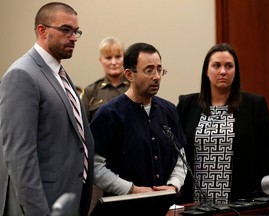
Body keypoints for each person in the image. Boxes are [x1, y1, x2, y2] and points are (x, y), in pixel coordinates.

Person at [0, 2, 94, 216]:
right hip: (43, 204)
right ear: (42, 30)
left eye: (76, 31)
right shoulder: (22, 74)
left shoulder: (58, 73)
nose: (73, 37)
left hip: (68, 200)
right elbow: (20, 157)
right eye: (65, 30)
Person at [176, 43, 269, 205]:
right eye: (216, 65)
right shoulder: (187, 105)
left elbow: (268, 160)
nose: (223, 71)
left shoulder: (254, 105)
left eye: (229, 66)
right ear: (206, 71)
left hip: (242, 203)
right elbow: (176, 155)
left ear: (236, 71)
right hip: (194, 204)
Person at [90, 42, 187, 201]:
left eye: (159, 70)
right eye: (149, 71)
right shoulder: (109, 114)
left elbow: (180, 157)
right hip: (123, 206)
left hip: (164, 204)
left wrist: (173, 185)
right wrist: (131, 190)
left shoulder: (169, 110)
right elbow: (95, 167)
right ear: (129, 75)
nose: (156, 76)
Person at [82, 36, 129, 122]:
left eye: (118, 57)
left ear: (125, 58)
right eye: (108, 58)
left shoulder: (135, 87)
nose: (113, 62)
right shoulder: (91, 92)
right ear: (100, 60)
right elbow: (84, 127)